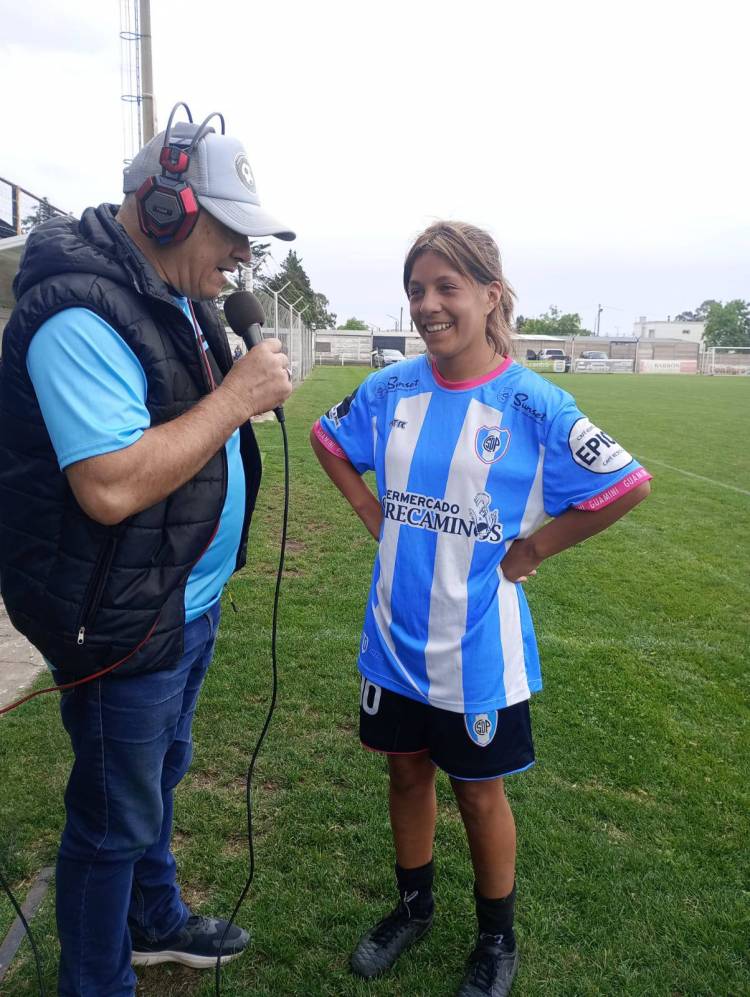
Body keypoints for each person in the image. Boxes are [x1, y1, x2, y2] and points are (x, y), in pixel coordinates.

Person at [310, 221, 651, 997]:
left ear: (490, 295)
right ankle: (413, 908)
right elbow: (329, 439)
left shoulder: (533, 403)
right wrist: (369, 509)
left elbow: (626, 482)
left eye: (446, 287)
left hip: (477, 648)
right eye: (416, 290)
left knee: (476, 790)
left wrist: (536, 549)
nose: (427, 305)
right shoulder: (391, 388)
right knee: (405, 772)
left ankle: (497, 939)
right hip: (394, 636)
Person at [0, 103, 294, 996]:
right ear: (163, 209)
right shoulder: (77, 314)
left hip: (175, 599)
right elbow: (111, 484)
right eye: (229, 231)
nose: (242, 254)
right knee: (111, 822)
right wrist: (236, 397)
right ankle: (98, 980)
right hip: (117, 616)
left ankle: (153, 919)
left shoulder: (177, 295)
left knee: (158, 776)